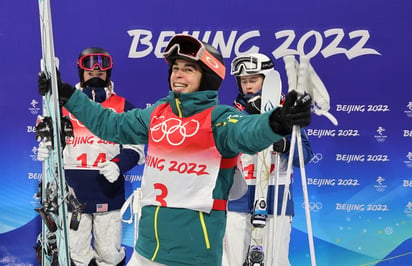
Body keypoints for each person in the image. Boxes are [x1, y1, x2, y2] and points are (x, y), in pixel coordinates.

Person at [38, 34, 312, 266]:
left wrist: (278, 121)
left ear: (207, 77)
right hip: (147, 248)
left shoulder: (219, 119)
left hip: (192, 254)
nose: (178, 74)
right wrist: (68, 95)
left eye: (188, 69)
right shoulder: (157, 113)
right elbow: (110, 124)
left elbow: (249, 132)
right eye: (175, 68)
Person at [37, 47, 145, 266]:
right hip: (72, 192)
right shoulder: (63, 105)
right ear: (80, 70)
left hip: (108, 189)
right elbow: (49, 135)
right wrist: (46, 147)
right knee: (76, 252)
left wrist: (118, 164)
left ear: (109, 71)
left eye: (102, 65)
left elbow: (136, 148)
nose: (96, 70)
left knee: (109, 253)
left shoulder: (123, 106)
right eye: (90, 65)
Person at [222, 53, 314, 266]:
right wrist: (249, 117)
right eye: (243, 81)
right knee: (232, 261)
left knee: (276, 260)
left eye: (253, 80)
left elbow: (304, 156)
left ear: (267, 79)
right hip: (239, 199)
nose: (248, 87)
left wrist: (283, 144)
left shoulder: (287, 114)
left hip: (276, 198)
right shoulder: (231, 114)